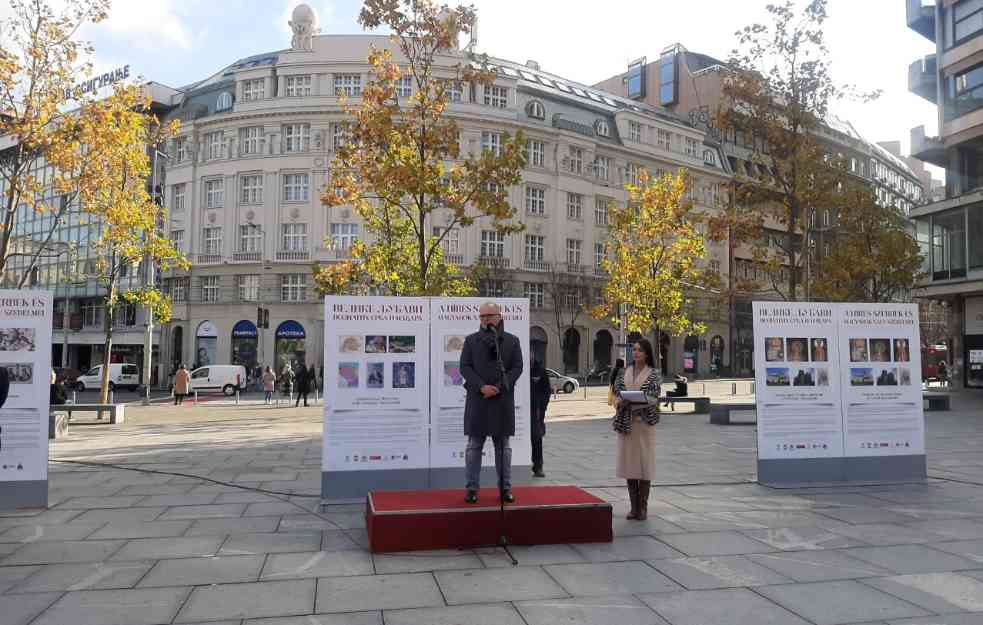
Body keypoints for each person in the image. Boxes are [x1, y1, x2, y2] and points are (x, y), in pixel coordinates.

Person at [461, 302, 523, 504]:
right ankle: (472, 488)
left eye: (489, 315)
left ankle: (505, 489)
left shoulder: (512, 341)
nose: (485, 319)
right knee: (474, 446)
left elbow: (517, 367)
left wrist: (498, 387)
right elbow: (465, 367)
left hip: (502, 399)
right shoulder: (471, 341)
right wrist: (481, 387)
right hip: (478, 399)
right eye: (482, 316)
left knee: (503, 447)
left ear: (499, 316)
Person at [614, 339, 661, 521]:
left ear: (647, 353)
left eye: (640, 350)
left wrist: (634, 401)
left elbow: (654, 397)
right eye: (634, 350)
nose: (636, 353)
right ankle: (634, 508)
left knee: (644, 465)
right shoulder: (624, 371)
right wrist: (620, 402)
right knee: (629, 466)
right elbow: (617, 394)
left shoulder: (654, 374)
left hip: (644, 425)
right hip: (627, 425)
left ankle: (643, 507)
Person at [530, 356, 551, 478]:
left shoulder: (540, 370)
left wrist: (542, 407)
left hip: (537, 411)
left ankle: (538, 466)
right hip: (520, 410)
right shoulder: (516, 367)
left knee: (536, 438)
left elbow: (546, 390)